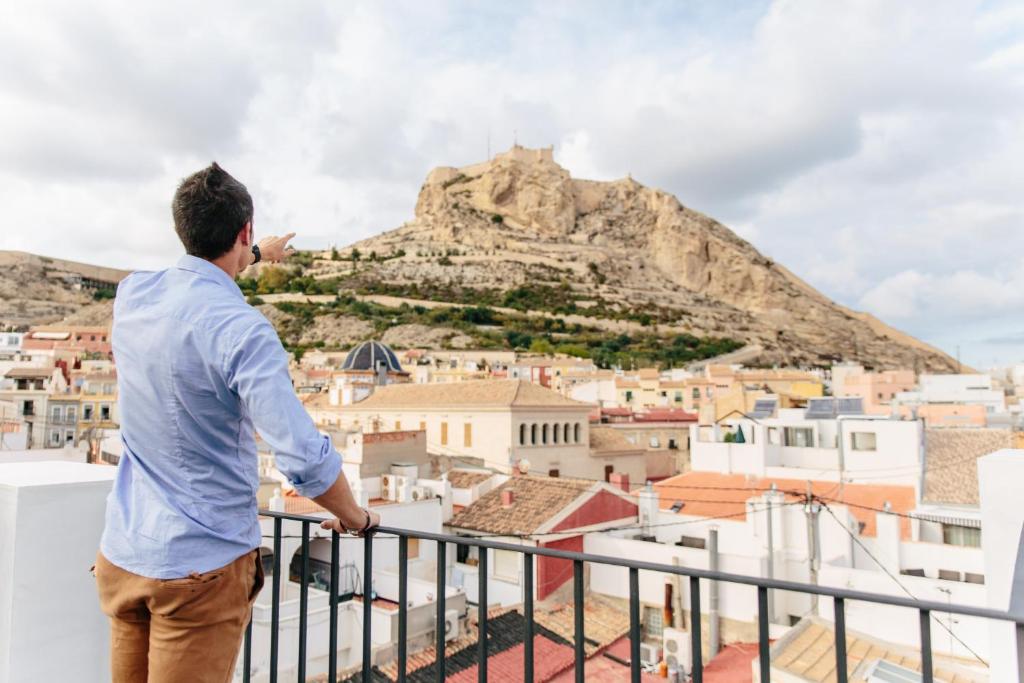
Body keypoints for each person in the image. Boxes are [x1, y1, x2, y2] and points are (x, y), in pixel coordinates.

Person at [93, 162, 378, 683]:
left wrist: (254, 254)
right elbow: (301, 457)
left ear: (181, 228)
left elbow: (201, 275)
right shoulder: (244, 332)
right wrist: (355, 517)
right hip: (197, 572)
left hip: (124, 554)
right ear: (243, 230)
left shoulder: (133, 296)